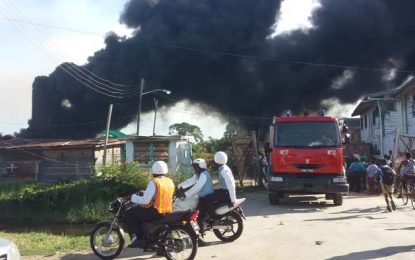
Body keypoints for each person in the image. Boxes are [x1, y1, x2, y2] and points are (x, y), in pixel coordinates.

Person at [124, 161, 175, 248]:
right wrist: (145, 192)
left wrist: (132, 197)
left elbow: (145, 201)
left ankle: (139, 239)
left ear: (153, 171)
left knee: (130, 213)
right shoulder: (169, 181)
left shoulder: (154, 182)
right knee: (140, 211)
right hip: (167, 211)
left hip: (156, 212)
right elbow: (160, 195)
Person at [178, 158, 213, 242]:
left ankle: (201, 238)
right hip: (202, 198)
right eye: (194, 167)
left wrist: (185, 194)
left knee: (198, 217)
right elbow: (189, 181)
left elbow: (198, 187)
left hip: (207, 198)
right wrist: (178, 186)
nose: (194, 169)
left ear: (201, 167)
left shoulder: (204, 174)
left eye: (196, 167)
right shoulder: (198, 174)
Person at [203, 151, 237, 218]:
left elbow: (230, 185)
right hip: (224, 191)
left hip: (225, 193)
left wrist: (233, 200)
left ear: (216, 160)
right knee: (210, 194)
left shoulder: (223, 170)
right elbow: (224, 182)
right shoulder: (224, 168)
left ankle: (213, 216)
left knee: (207, 198)